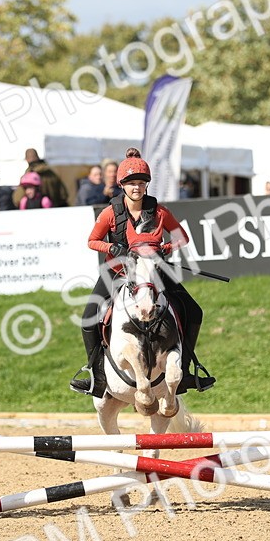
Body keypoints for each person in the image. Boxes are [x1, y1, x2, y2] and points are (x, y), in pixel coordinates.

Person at [69, 148, 214, 397]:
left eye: (141, 183)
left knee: (194, 311)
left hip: (152, 272)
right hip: (118, 272)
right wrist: (111, 246)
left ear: (146, 184)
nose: (137, 187)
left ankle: (187, 372)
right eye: (131, 183)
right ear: (122, 185)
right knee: (88, 318)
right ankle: (96, 375)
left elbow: (182, 237)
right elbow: (92, 241)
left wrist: (165, 249)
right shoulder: (110, 213)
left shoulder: (159, 212)